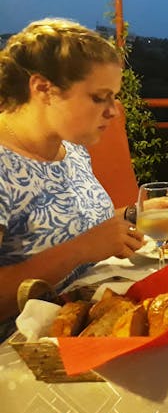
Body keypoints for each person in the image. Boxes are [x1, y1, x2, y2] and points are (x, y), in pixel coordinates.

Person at [0, 18, 146, 340]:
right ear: (42, 89)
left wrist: (129, 217)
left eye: (114, 97)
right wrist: (82, 249)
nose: (114, 111)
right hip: (24, 354)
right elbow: (80, 244)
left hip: (87, 323)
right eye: (99, 97)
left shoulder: (70, 147)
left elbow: (68, 224)